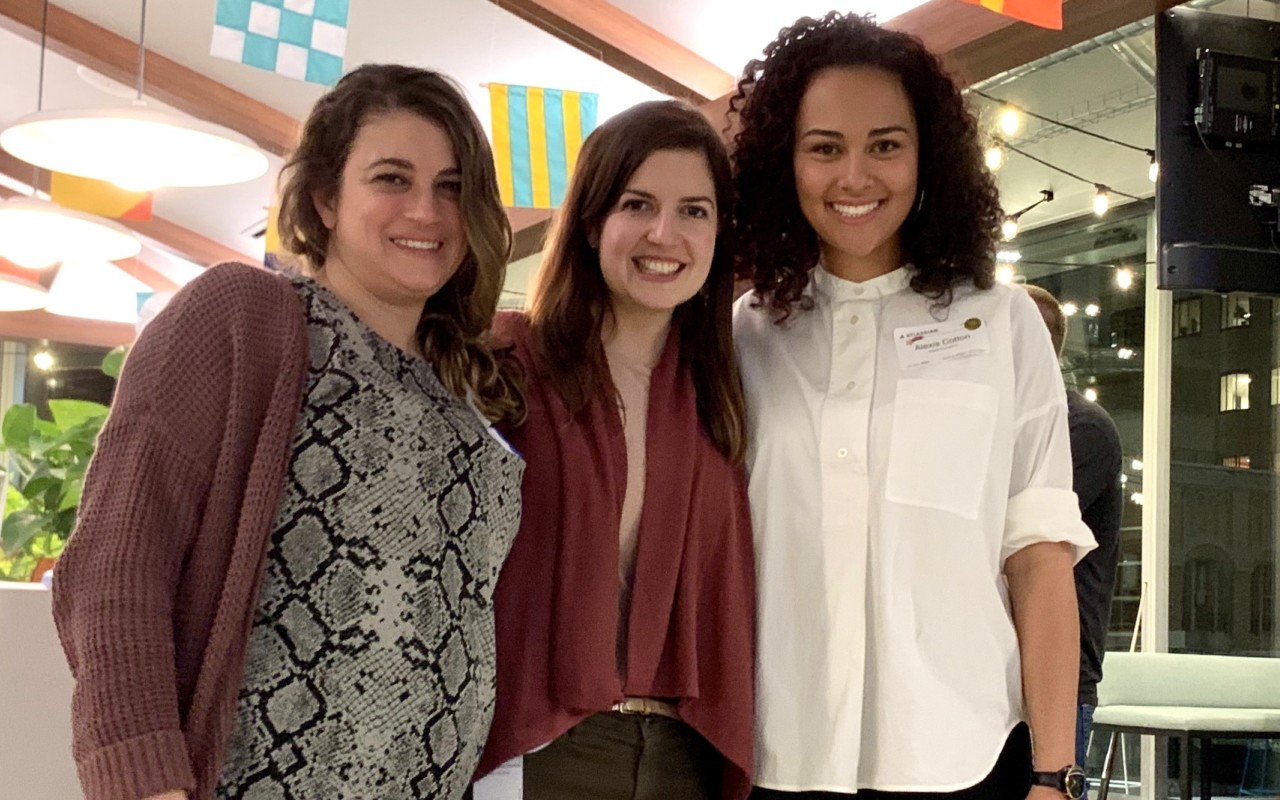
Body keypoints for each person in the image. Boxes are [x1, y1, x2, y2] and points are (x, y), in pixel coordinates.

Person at [51, 64, 525, 800]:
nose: (427, 212)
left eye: (453, 187)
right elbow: (116, 567)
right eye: (392, 179)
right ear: (325, 198)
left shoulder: (469, 386)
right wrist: (145, 782)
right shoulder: (244, 318)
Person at [730, 13, 1096, 800]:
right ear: (783, 164)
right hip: (775, 756)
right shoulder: (746, 333)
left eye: (885, 145)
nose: (854, 176)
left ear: (929, 158)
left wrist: (1055, 776)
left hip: (963, 757)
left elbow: (1038, 560)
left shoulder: (1004, 325)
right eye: (824, 148)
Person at [474, 100, 755, 800]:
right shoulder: (505, 368)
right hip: (535, 750)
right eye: (638, 204)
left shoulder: (724, 394)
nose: (665, 233)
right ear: (594, 221)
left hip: (683, 757)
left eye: (695, 210)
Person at [1024, 285, 1123, 768]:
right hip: (998, 673)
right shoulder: (1020, 425)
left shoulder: (1083, 429)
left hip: (1059, 678)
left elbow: (1016, 531)